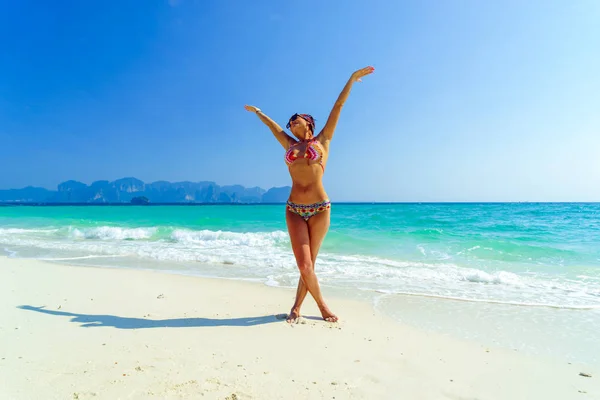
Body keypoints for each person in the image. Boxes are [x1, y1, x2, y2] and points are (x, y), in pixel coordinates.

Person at [244, 66, 375, 323]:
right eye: (290, 123)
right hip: (294, 208)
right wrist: (259, 113)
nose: (292, 124)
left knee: (309, 265)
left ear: (308, 122)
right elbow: (272, 128)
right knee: (304, 265)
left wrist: (352, 79)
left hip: (320, 208)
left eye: (296, 120)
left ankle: (296, 307)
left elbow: (338, 106)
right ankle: (322, 306)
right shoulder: (289, 145)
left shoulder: (323, 140)